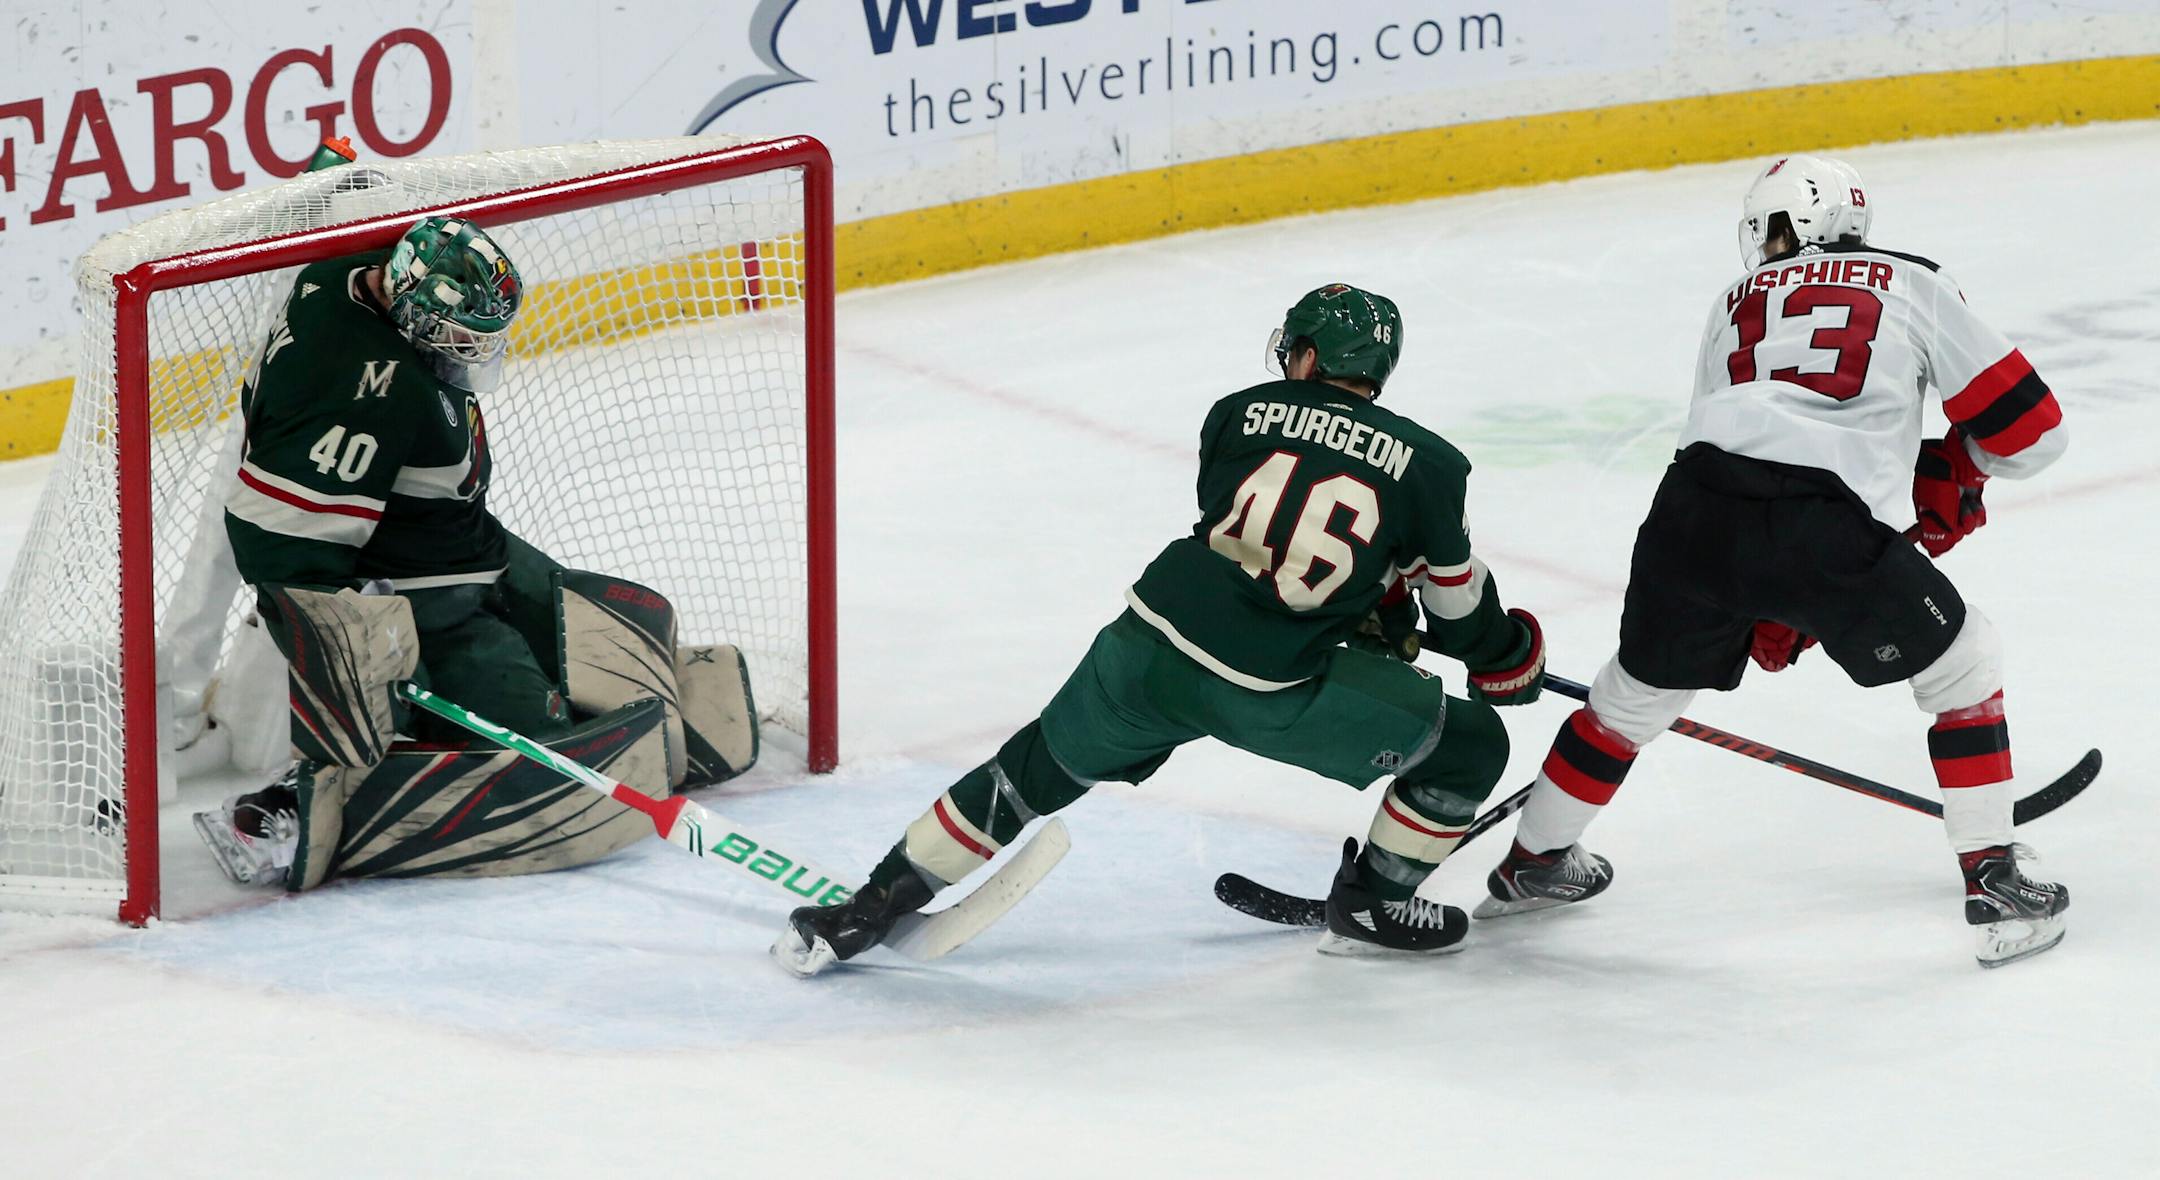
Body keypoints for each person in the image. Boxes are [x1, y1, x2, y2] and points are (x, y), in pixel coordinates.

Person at [774, 283, 1550, 977]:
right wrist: (1503, 655)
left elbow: (1248, 539)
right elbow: (1456, 610)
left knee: (1033, 768)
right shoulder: (1432, 464)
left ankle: (866, 908)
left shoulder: (1235, 414)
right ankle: (1375, 907)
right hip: (1269, 688)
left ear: (1309, 356)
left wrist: (1372, 610)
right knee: (1472, 746)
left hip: (1146, 643)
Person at [1476, 155, 2070, 967]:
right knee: (1965, 667)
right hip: (1818, 523)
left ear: (1781, 228)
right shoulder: (1911, 280)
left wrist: (1756, 589)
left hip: (1687, 514)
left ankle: (1530, 866)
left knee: (1627, 701)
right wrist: (1962, 466)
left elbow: (1725, 430)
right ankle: (1994, 880)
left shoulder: (1731, 301)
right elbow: (2034, 432)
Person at [194, 215, 756, 889]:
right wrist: (340, 625)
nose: (467, 350)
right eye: (458, 336)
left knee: (606, 629)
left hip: (471, 541)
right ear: (408, 311)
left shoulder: (339, 279)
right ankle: (295, 797)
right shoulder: (362, 394)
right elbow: (279, 537)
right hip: (427, 595)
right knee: (537, 740)